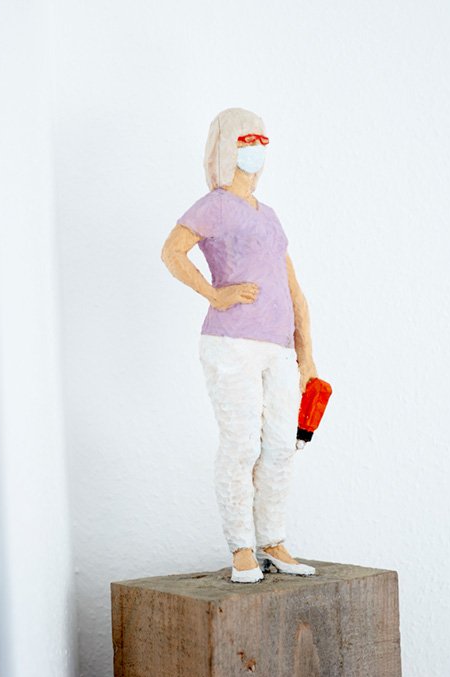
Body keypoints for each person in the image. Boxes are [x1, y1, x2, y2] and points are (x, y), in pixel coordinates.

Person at [161, 107, 319, 583]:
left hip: (279, 348)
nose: (257, 149)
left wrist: (307, 356)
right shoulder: (213, 205)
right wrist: (215, 294)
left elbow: (293, 288)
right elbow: (172, 251)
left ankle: (273, 539)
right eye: (247, 140)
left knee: (281, 446)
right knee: (241, 444)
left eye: (263, 141)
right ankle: (242, 547)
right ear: (227, 147)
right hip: (231, 343)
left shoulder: (269, 216)